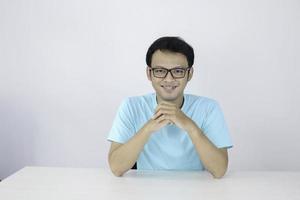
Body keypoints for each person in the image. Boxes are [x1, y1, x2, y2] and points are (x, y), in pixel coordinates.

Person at [107, 36, 233, 178]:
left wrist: (189, 125)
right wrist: (149, 128)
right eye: (160, 71)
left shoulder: (209, 108)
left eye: (178, 71)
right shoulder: (131, 106)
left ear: (189, 73)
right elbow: (116, 168)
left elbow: (219, 170)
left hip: (196, 190)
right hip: (144, 190)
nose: (169, 79)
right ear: (149, 73)